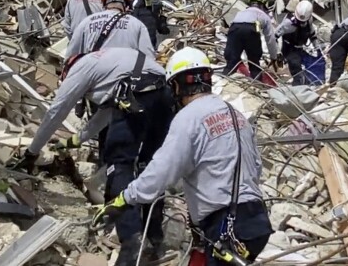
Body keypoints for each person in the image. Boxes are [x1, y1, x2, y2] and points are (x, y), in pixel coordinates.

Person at [93, 47, 273, 265]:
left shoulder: (188, 117)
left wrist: (126, 197)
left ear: (177, 85)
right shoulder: (235, 115)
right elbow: (256, 166)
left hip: (227, 225)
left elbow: (163, 169)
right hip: (256, 221)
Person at [17, 48, 174, 266]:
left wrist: (32, 151)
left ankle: (131, 242)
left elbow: (57, 110)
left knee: (119, 164)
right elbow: (106, 114)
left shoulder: (80, 68)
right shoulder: (111, 64)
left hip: (136, 96)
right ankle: (154, 235)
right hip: (164, 94)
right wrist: (74, 141)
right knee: (151, 164)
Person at [65, 0, 155, 60]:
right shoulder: (136, 24)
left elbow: (71, 55)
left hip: (93, 75)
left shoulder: (86, 22)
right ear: (126, 7)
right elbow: (148, 57)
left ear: (104, 6)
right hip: (123, 77)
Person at [223, 0, 279, 82]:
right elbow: (270, 39)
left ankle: (224, 80)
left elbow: (231, 30)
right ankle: (257, 85)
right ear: (262, 5)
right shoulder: (264, 16)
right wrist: (273, 57)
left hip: (234, 29)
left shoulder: (240, 13)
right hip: (251, 30)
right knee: (254, 63)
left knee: (231, 61)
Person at [275, 0, 324, 86]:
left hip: (300, 48)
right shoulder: (288, 23)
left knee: (313, 64)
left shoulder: (309, 20)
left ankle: (311, 84)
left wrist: (318, 48)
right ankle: (298, 89)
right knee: (296, 69)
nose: (302, 24)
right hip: (289, 49)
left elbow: (312, 34)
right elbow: (274, 36)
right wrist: (278, 53)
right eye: (300, 22)